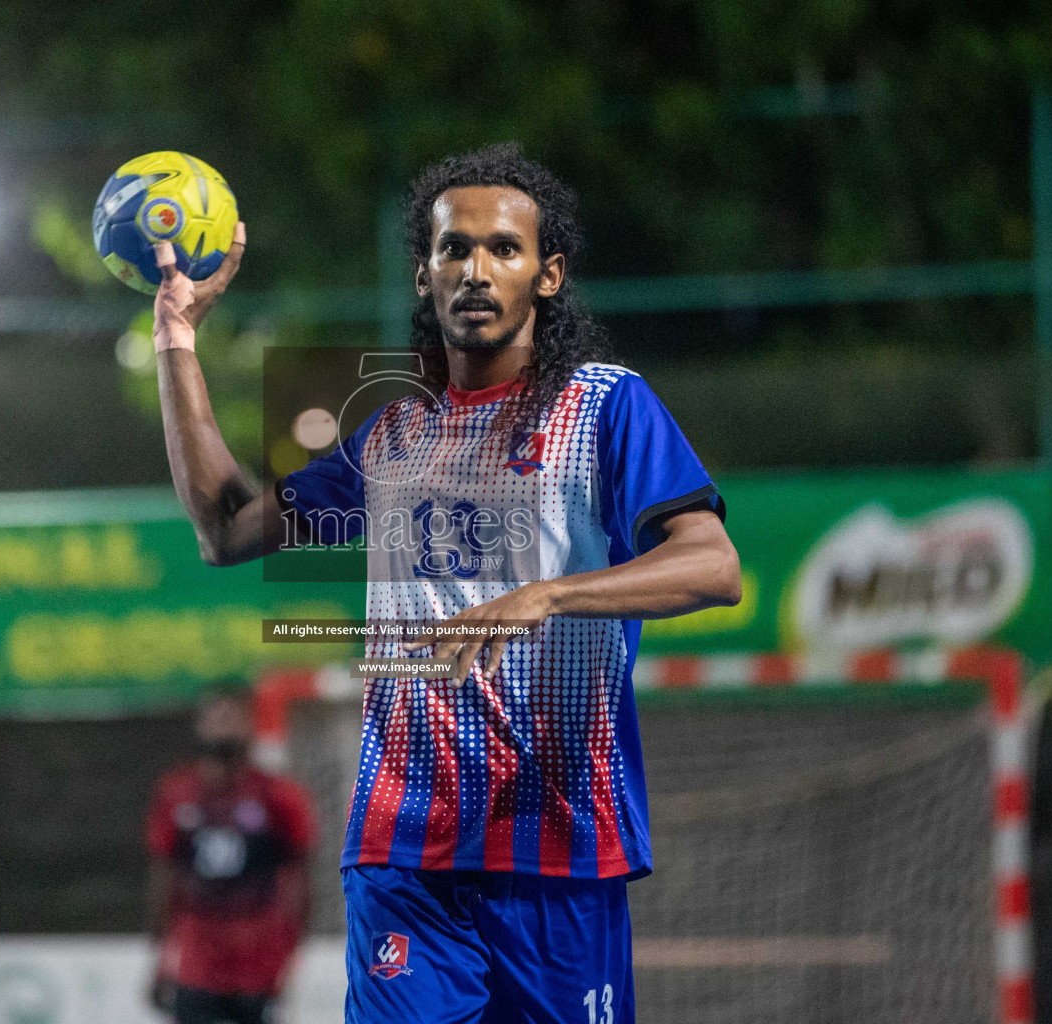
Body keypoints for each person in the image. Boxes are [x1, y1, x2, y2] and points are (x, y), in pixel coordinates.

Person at [149, 143, 741, 1024]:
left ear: (549, 274)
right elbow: (227, 528)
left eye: (504, 248)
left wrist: (544, 594)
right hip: (405, 849)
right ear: (424, 277)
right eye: (452, 249)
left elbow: (713, 564)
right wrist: (176, 340)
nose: (475, 268)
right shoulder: (392, 435)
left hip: (561, 848)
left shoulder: (605, 406)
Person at [145, 686, 317, 1024]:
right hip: (196, 961)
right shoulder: (176, 793)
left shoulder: (280, 796)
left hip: (259, 960)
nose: (224, 726)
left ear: (250, 726)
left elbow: (297, 879)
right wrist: (158, 957)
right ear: (200, 727)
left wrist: (293, 953)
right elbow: (164, 875)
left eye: (233, 717)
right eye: (216, 718)